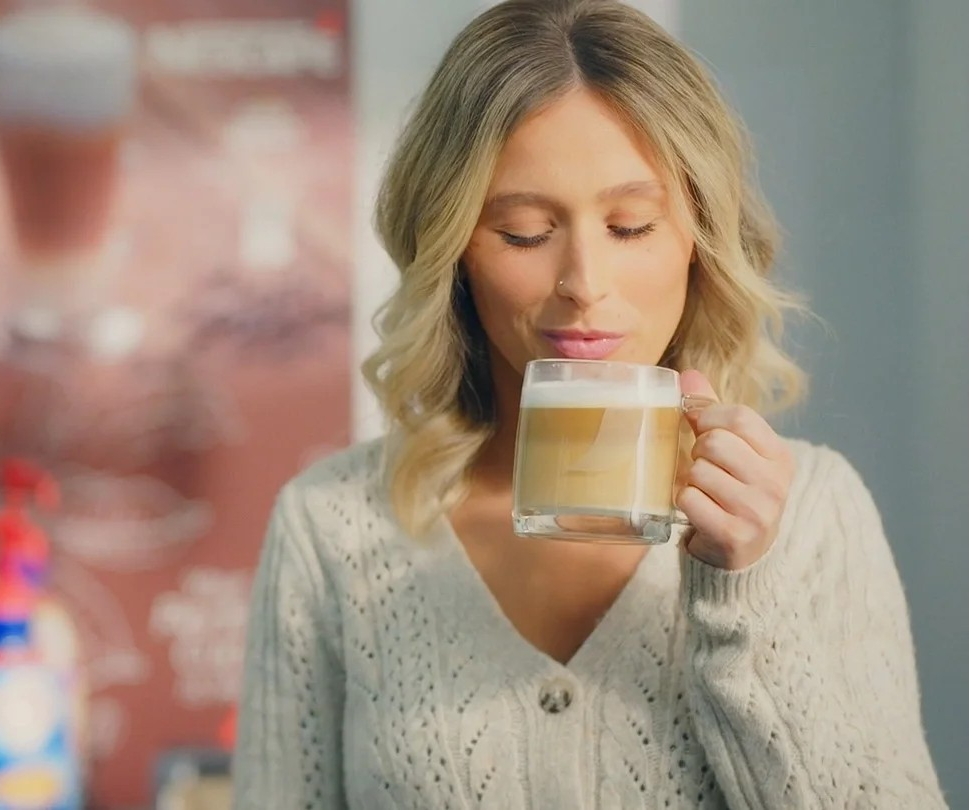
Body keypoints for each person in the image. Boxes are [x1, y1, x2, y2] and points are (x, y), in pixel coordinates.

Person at [231, 1, 947, 807]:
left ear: (699, 239)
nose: (584, 284)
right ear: (453, 251)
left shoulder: (816, 515)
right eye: (526, 233)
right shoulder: (331, 528)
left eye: (632, 227)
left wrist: (741, 597)